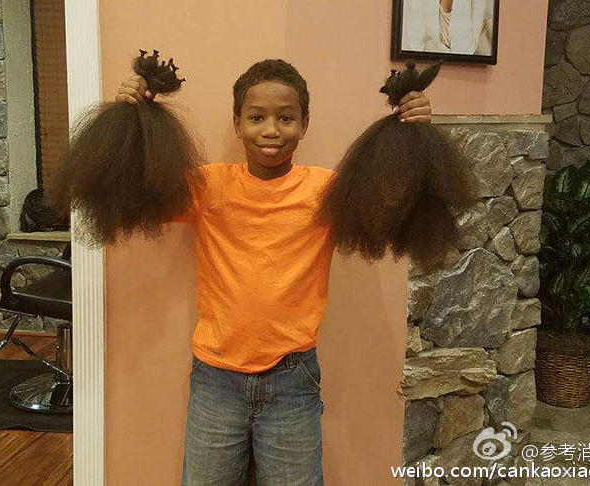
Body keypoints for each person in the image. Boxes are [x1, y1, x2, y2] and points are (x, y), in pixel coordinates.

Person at [115, 59, 431, 485]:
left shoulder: (327, 192)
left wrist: (414, 131)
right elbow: (136, 194)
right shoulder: (207, 186)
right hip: (215, 380)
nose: (271, 130)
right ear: (237, 122)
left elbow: (394, 205)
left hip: (292, 381)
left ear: (304, 124)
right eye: (256, 117)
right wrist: (131, 118)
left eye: (285, 118)